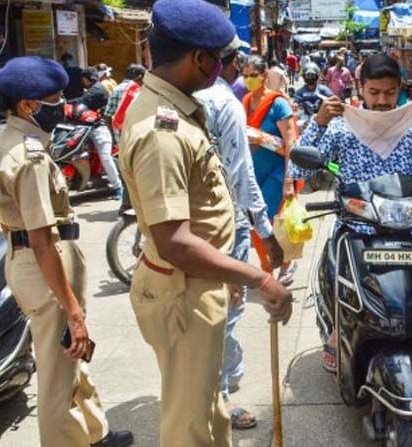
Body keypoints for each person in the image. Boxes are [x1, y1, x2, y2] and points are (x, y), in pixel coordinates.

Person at [119, 1, 293, 445]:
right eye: (220, 58)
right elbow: (175, 241)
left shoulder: (177, 108)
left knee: (209, 410)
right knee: (190, 426)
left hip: (198, 282)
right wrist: (258, 278)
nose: (225, 67)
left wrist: (226, 273)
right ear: (200, 58)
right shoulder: (164, 131)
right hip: (182, 289)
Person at [292, 53, 412, 412]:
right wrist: (317, 122)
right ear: (359, 88)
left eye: (390, 92)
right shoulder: (340, 126)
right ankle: (337, 331)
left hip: (411, 229)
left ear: (401, 90)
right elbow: (298, 164)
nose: (381, 101)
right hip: (356, 228)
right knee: (335, 275)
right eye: (374, 91)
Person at [0, 56, 134, 447]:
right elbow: (42, 239)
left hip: (35, 259)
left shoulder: (10, 138)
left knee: (71, 354)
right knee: (59, 370)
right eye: (56, 98)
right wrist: (73, 310)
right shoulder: (29, 157)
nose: (64, 106)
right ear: (28, 105)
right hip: (44, 262)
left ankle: (94, 433)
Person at [194, 37, 285, 431]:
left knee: (205, 317)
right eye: (241, 69)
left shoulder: (174, 101)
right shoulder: (223, 102)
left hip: (187, 232)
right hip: (222, 227)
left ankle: (214, 390)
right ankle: (220, 398)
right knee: (223, 318)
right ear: (227, 64)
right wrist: (265, 230)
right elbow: (241, 176)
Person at [243, 56, 299, 284]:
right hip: (253, 172)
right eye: (245, 76)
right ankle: (267, 266)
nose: (248, 80)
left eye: (253, 75)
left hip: (276, 173)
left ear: (264, 76)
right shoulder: (245, 102)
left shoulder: (278, 104)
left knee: (275, 221)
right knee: (253, 222)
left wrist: (288, 179)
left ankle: (286, 264)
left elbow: (290, 141)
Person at [71, 67, 123, 199]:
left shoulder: (96, 90)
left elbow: (80, 101)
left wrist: (64, 103)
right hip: (91, 127)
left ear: (87, 79)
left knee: (105, 157)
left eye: (83, 79)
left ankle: (118, 187)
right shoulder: (95, 88)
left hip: (100, 127)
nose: (82, 81)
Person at [106, 64, 146, 140]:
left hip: (119, 133)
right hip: (137, 133)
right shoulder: (140, 90)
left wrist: (112, 135)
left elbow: (108, 115)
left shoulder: (116, 89)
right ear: (140, 77)